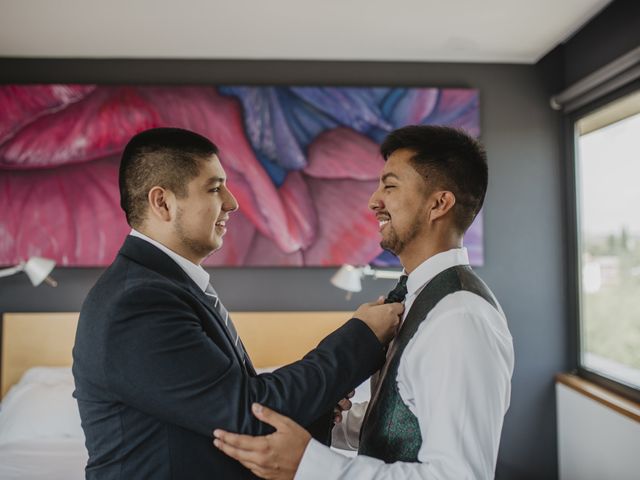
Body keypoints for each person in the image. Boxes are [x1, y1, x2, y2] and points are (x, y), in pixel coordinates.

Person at [72, 127, 403, 479]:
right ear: (163, 202)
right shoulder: (137, 303)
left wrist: (317, 404)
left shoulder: (161, 286)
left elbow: (226, 407)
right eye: (215, 188)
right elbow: (248, 414)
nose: (232, 202)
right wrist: (362, 336)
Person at [213, 125, 515, 479]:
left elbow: (457, 476)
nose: (374, 201)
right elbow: (405, 421)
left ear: (438, 204)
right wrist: (329, 422)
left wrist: (308, 466)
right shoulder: (417, 300)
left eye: (389, 186)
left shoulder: (459, 317)